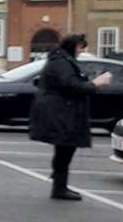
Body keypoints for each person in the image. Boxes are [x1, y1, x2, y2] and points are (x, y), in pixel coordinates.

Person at [27, 33, 111, 201]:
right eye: (80, 47)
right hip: (61, 113)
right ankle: (59, 188)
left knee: (64, 149)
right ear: (73, 46)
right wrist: (96, 83)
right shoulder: (61, 63)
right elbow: (72, 86)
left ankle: (59, 185)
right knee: (65, 148)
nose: (81, 51)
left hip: (60, 112)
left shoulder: (60, 61)